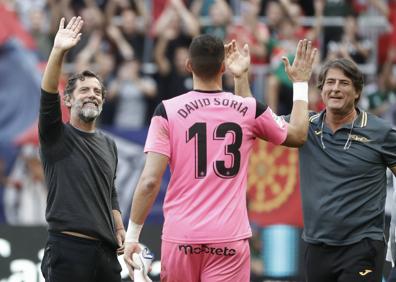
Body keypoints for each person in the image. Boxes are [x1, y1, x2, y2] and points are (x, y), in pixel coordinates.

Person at [123, 34, 317, 281]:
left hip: (182, 237)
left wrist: (132, 237)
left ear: (188, 65)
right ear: (223, 67)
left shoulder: (167, 111)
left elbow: (150, 181)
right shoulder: (248, 109)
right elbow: (299, 134)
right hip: (228, 238)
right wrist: (300, 83)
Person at [236, 56, 396, 281]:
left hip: (362, 246)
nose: (335, 89)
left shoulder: (380, 132)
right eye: (330, 83)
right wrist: (241, 77)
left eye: (344, 83)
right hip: (317, 246)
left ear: (358, 92)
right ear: (321, 91)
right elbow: (256, 121)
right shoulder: (305, 126)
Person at [39, 16, 125, 282]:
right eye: (84, 90)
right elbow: (48, 91)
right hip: (68, 250)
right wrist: (58, 51)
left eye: (98, 91)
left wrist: (119, 225)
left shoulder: (109, 144)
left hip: (106, 253)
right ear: (68, 99)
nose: (92, 94)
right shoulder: (56, 134)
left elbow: (109, 190)